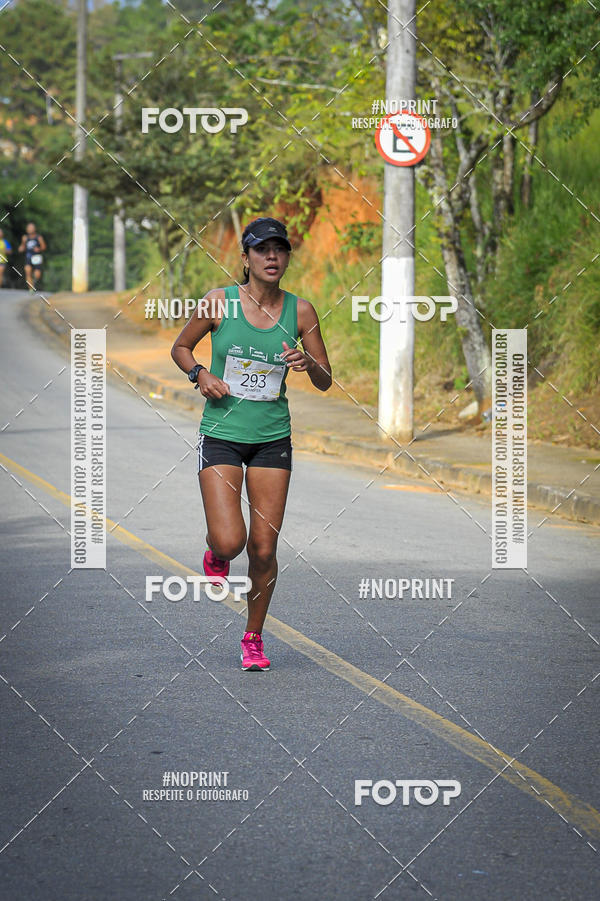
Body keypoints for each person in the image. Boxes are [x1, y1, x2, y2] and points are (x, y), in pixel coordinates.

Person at [171, 217, 332, 671]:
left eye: (280, 250)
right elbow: (181, 347)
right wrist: (199, 374)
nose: (272, 258)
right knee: (231, 541)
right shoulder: (219, 302)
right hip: (221, 434)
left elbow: (325, 379)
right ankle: (216, 552)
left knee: (264, 550)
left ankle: (253, 636)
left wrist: (307, 362)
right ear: (246, 259)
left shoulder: (301, 312)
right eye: (262, 250)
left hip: (271, 440)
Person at [18, 222, 47, 291]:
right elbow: (22, 247)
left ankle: (34, 281)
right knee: (28, 271)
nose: (30, 229)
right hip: (28, 256)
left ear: (34, 229)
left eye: (31, 228)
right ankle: (30, 288)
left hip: (36, 257)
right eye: (29, 228)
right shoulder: (25, 237)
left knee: (37, 274)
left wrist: (39, 249)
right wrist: (21, 248)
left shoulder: (38, 237)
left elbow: (44, 247)